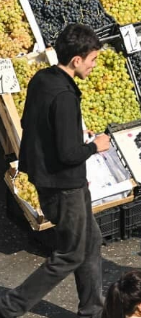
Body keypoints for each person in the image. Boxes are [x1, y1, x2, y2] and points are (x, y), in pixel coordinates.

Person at [0, 24, 111, 318]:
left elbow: (32, 124)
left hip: (49, 179)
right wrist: (94, 146)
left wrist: (72, 131)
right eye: (92, 60)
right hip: (66, 188)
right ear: (77, 60)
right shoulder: (64, 96)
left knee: (91, 241)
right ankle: (10, 307)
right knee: (70, 254)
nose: (94, 65)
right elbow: (69, 154)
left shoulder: (42, 79)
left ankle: (91, 309)